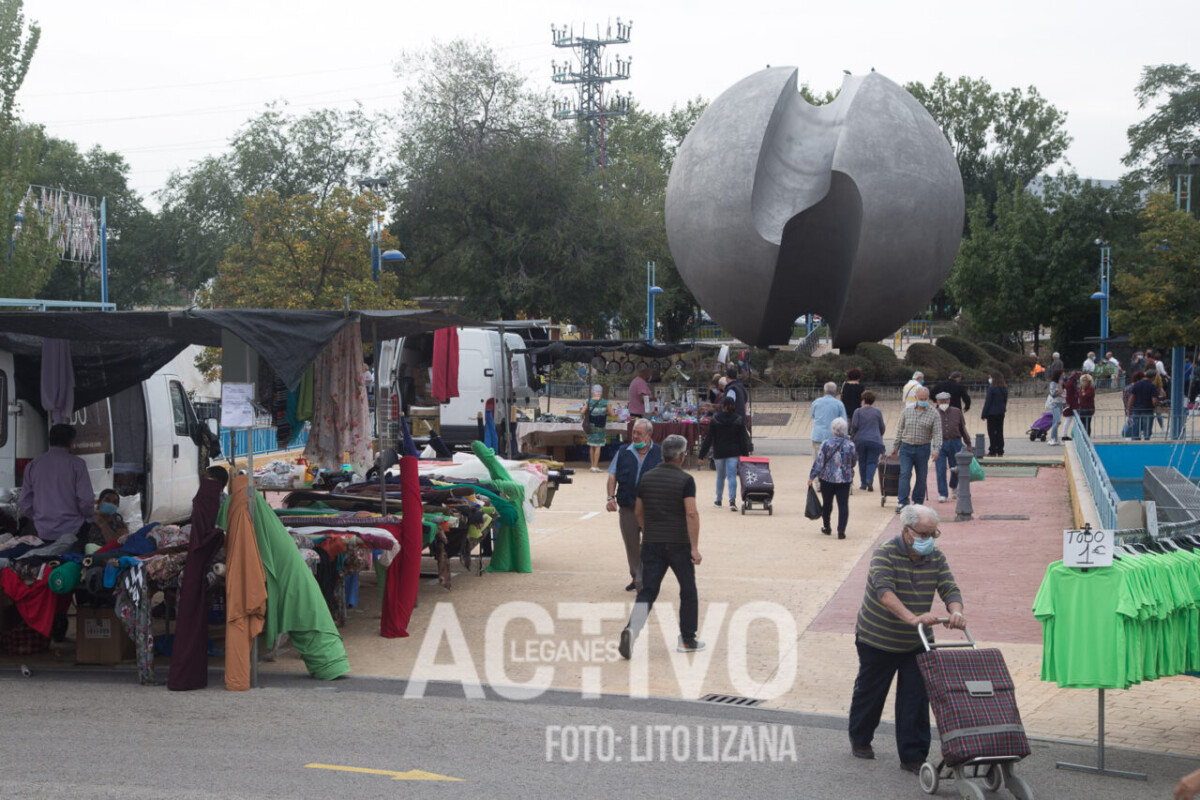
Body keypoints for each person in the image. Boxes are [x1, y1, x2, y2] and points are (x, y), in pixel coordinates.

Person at [848, 504, 966, 773]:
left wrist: (956, 611)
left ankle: (913, 756)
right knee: (871, 693)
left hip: (918, 642)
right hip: (877, 638)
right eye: (923, 534)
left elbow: (949, 587)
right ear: (906, 531)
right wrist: (912, 618)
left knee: (915, 698)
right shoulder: (884, 555)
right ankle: (860, 738)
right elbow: (885, 592)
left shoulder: (935, 557)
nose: (929, 540)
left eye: (933, 534)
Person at [617, 434, 704, 658]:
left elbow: (638, 511)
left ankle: (631, 630)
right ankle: (687, 639)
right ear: (682, 456)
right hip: (678, 543)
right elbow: (691, 513)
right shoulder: (685, 480)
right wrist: (694, 548)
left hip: (652, 542)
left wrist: (649, 531)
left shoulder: (646, 478)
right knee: (688, 590)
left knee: (647, 591)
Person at [606, 418, 662, 591]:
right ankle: (637, 576)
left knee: (650, 545)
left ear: (649, 435)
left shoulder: (660, 453)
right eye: (634, 433)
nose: (635, 436)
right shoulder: (623, 451)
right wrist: (610, 497)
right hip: (628, 507)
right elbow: (612, 475)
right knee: (631, 545)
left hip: (651, 509)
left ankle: (642, 580)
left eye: (639, 433)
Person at [18, 423, 94, 545]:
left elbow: (24, 501)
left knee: (45, 562)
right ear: (71, 441)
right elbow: (86, 500)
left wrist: (38, 517)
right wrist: (89, 518)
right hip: (73, 530)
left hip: (42, 531)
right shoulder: (77, 464)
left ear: (50, 440)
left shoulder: (33, 465)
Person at [890, 387, 941, 513]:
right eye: (921, 399)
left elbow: (937, 433)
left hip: (923, 448)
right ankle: (902, 502)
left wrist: (936, 449)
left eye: (925, 399)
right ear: (916, 398)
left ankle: (918, 501)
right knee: (905, 474)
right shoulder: (907, 411)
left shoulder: (934, 413)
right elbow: (900, 430)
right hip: (906, 447)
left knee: (921, 476)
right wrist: (895, 447)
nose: (923, 401)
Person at [697, 396, 750, 511]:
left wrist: (701, 455)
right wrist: (746, 456)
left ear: (723, 406)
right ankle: (732, 500)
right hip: (733, 452)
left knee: (720, 476)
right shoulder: (738, 420)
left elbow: (709, 439)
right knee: (732, 477)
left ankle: (719, 499)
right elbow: (743, 440)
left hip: (719, 452)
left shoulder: (715, 420)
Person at [809, 417, 857, 539]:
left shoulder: (826, 443)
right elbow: (853, 461)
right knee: (843, 505)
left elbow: (819, 461)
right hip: (844, 479)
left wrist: (812, 476)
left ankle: (827, 527)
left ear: (833, 429)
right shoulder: (850, 444)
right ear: (845, 429)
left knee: (827, 504)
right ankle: (841, 530)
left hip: (827, 478)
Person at [933, 392, 970, 503]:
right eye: (941, 401)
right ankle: (942, 493)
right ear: (937, 402)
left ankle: (954, 486)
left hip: (955, 441)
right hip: (940, 442)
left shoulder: (957, 411)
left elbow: (962, 428)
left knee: (956, 467)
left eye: (946, 400)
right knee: (940, 468)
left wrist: (968, 443)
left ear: (949, 400)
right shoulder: (933, 413)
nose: (944, 402)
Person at [849, 391, 886, 492]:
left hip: (860, 439)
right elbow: (882, 427)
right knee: (872, 461)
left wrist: (852, 434)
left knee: (862, 461)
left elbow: (854, 426)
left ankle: (863, 483)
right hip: (875, 439)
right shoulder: (877, 412)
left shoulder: (858, 411)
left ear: (863, 400)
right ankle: (869, 479)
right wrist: (880, 434)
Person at [810, 382, 847, 462]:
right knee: (832, 462)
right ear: (835, 392)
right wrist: (845, 436)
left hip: (818, 436)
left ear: (824, 390)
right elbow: (844, 422)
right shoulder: (839, 404)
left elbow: (812, 415)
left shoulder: (816, 402)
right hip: (834, 437)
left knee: (818, 462)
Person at [980, 371, 1008, 457]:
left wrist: (983, 414)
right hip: (1001, 412)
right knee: (999, 431)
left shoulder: (992, 389)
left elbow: (988, 402)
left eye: (990, 377)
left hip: (992, 413)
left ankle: (992, 450)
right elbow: (1005, 401)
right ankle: (1000, 450)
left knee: (992, 432)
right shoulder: (1004, 388)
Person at [1126, 370, 1158, 441]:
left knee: (1136, 430)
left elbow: (1131, 398)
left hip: (1136, 410)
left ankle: (1136, 444)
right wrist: (1156, 407)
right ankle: (1146, 444)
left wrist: (1128, 409)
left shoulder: (1136, 385)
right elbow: (1154, 401)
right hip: (1148, 410)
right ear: (1153, 377)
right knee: (1147, 431)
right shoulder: (1152, 386)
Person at [585, 384, 610, 473]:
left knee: (592, 445)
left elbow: (582, 411)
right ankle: (596, 466)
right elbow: (612, 414)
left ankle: (592, 465)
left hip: (591, 426)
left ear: (593, 392)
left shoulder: (588, 401)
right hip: (600, 426)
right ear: (601, 393)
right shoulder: (605, 402)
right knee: (598, 446)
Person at [1045, 370, 1065, 445]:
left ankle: (1055, 438)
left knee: (1055, 421)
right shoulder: (1053, 383)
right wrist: (1060, 385)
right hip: (1055, 404)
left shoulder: (1062, 382)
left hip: (1060, 403)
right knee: (1058, 421)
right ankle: (1053, 438)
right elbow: (1055, 393)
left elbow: (1062, 392)